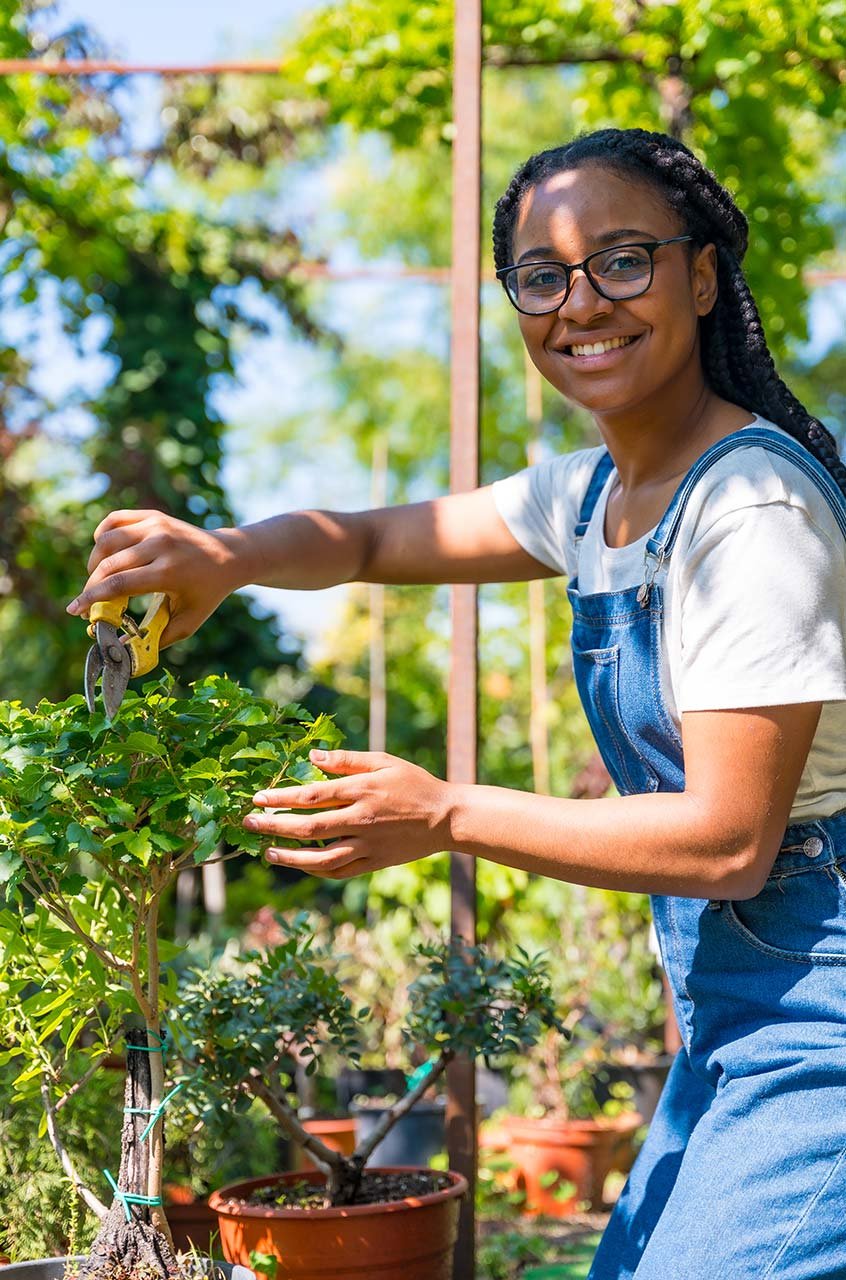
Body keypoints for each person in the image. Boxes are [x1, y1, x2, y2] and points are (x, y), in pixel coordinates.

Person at [67, 128, 846, 1277]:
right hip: (738, 1018)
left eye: (624, 260)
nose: (582, 303)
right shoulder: (595, 495)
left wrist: (442, 813)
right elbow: (381, 536)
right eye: (544, 276)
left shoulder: (747, 511)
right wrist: (224, 553)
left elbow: (730, 840)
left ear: (701, 274)